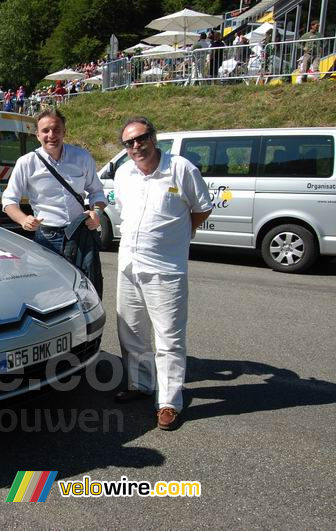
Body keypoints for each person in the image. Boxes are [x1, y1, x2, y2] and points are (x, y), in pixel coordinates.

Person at [112, 116, 213, 431]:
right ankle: (141, 384)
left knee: (169, 338)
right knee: (131, 331)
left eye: (141, 138)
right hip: (128, 265)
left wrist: (179, 236)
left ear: (153, 138)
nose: (136, 146)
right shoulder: (123, 173)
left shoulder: (181, 169)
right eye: (129, 142)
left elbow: (202, 208)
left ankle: (169, 402)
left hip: (166, 269)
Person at [1, 108, 107, 294]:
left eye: (57, 130)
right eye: (45, 131)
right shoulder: (27, 162)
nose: (52, 135)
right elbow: (9, 200)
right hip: (47, 238)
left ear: (64, 131)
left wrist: (97, 213)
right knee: (48, 293)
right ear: (37, 134)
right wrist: (23, 220)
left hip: (79, 235)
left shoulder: (81, 157)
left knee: (86, 292)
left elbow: (97, 192)